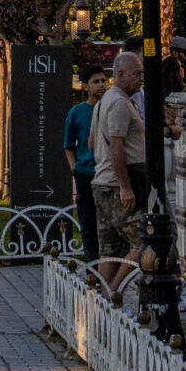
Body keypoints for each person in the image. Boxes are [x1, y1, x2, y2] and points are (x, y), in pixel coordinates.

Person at [90, 51, 148, 300]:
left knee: (110, 248)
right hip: (116, 186)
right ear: (120, 74)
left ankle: (102, 304)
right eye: (137, 73)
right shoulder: (119, 103)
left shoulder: (105, 101)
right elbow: (116, 144)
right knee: (143, 242)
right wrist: (125, 186)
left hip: (102, 183)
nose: (141, 79)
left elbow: (92, 142)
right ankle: (114, 292)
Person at [64, 69, 110, 265]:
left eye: (103, 81)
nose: (101, 85)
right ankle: (93, 268)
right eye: (96, 81)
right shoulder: (76, 113)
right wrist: (75, 169)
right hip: (85, 173)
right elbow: (68, 145)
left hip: (107, 172)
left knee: (109, 223)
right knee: (88, 223)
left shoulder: (111, 108)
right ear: (85, 86)